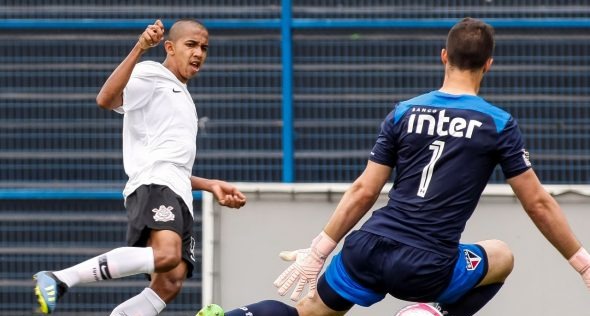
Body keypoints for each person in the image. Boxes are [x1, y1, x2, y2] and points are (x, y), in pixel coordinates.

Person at [197, 17, 589, 316]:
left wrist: (318, 251)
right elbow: (537, 203)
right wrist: (582, 264)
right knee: (502, 255)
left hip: (367, 248)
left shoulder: (403, 113)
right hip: (428, 264)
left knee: (309, 312)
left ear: (444, 56)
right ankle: (430, 312)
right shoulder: (497, 124)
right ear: (489, 64)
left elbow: (364, 190)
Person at [33, 19, 247, 315]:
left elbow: (172, 162)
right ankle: (60, 278)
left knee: (171, 282)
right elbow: (105, 99)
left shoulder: (181, 93)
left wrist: (209, 184)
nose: (199, 52)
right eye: (191, 45)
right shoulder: (151, 73)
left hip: (175, 187)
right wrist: (140, 48)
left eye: (204, 47)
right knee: (166, 255)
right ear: (169, 48)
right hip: (155, 184)